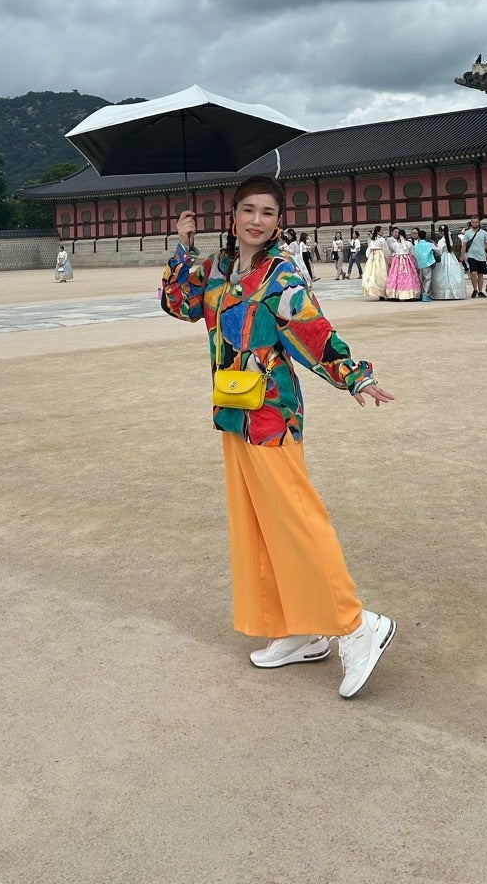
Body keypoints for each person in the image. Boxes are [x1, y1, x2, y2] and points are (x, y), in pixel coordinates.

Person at [161, 176, 396, 698]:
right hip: (233, 410)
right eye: (248, 209)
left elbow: (313, 331)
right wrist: (183, 248)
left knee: (295, 519)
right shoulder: (216, 269)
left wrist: (354, 375)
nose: (256, 220)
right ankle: (298, 626)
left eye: (267, 212)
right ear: (232, 215)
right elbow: (177, 304)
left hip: (272, 416)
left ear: (278, 222)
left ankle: (357, 625)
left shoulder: (281, 274)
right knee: (259, 524)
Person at [429, 225, 467, 299]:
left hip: (443, 257)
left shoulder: (441, 241)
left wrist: (434, 247)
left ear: (441, 232)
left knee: (440, 273)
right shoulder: (449, 239)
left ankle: (442, 293)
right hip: (451, 256)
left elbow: (439, 252)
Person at [385, 229, 421, 301]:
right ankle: (410, 294)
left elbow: (394, 251)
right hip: (407, 261)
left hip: (398, 261)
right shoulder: (409, 243)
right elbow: (412, 253)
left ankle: (396, 294)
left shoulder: (395, 244)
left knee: (396, 276)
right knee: (409, 276)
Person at [461, 216, 487, 298]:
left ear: (479, 223)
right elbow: (464, 245)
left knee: (480, 274)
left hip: (482, 256)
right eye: (473, 222)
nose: (474, 224)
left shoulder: (484, 233)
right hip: (471, 255)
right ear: (471, 223)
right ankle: (475, 289)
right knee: (473, 273)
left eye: (476, 222)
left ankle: (480, 291)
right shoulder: (467, 233)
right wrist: (462, 255)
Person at [412, 229, 437, 302]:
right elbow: (438, 251)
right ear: (425, 236)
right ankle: (425, 295)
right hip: (427, 264)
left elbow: (413, 254)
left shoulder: (416, 246)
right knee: (427, 279)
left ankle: (421, 293)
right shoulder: (429, 244)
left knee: (420, 279)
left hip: (419, 264)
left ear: (418, 236)